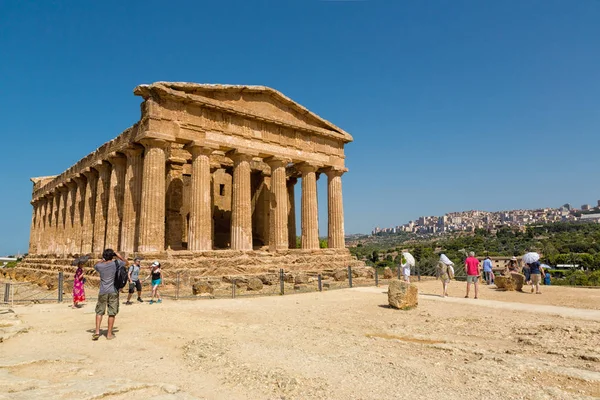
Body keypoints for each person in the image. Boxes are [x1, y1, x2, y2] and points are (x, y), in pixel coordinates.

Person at [92, 249, 128, 340]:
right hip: (113, 291)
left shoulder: (100, 266)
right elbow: (126, 263)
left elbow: (94, 265)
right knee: (111, 313)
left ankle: (97, 331)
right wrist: (118, 255)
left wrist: (102, 259)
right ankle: (109, 334)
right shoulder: (116, 264)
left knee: (99, 311)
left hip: (103, 291)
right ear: (112, 256)